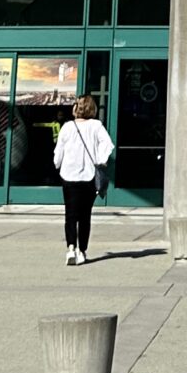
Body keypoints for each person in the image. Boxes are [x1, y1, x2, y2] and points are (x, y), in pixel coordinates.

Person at [52, 91, 114, 265]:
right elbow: (107, 144)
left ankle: (71, 248)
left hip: (68, 175)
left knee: (70, 214)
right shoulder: (96, 125)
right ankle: (82, 250)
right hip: (88, 175)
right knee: (85, 215)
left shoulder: (67, 127)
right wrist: (100, 160)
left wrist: (57, 163)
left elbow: (59, 151)